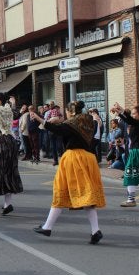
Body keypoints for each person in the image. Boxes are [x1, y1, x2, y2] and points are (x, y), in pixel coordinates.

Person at [31, 101, 106, 244]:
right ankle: (95, 230)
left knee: (61, 190)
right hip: (88, 158)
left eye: (66, 111)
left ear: (70, 111)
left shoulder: (72, 123)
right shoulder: (89, 121)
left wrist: (40, 119)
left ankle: (48, 227)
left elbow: (57, 129)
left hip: (74, 158)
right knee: (87, 195)